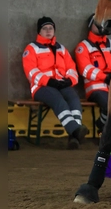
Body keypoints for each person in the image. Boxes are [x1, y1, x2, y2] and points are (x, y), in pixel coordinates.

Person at [22, 16, 89, 149]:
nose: (48, 31)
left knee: (74, 99)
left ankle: (73, 136)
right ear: (39, 32)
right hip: (41, 86)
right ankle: (75, 130)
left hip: (61, 84)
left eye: (51, 28)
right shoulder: (31, 48)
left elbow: (71, 68)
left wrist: (69, 80)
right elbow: (30, 71)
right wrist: (49, 81)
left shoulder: (61, 48)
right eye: (45, 28)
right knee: (59, 101)